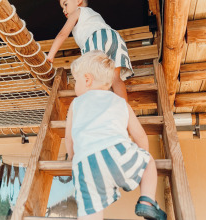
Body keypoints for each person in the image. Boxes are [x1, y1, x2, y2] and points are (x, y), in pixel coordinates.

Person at [66, 51, 167, 220]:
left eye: (76, 81)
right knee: (148, 160)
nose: (75, 86)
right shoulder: (120, 103)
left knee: (91, 211)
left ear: (87, 80)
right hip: (118, 153)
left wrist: (72, 158)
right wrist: (140, 159)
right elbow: (140, 136)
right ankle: (147, 201)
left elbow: (69, 138)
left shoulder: (76, 104)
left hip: (86, 164)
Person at [47, 0, 133, 101]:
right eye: (62, 7)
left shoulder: (77, 12)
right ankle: (124, 110)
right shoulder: (92, 14)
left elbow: (63, 34)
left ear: (78, 1)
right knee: (115, 79)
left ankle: (98, 106)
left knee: (93, 76)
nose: (64, 10)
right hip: (116, 39)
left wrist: (50, 56)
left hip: (97, 38)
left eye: (65, 4)